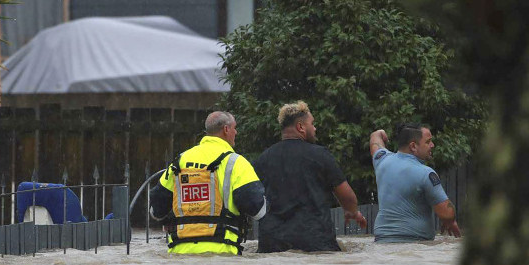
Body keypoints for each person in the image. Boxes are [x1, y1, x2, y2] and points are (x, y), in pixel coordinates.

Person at [253, 101, 367, 253]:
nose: (315, 128)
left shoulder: (263, 159)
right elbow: (348, 197)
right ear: (300, 127)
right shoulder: (320, 155)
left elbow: (253, 198)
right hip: (315, 242)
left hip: (272, 244)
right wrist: (352, 211)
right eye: (312, 124)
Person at [149, 111, 266, 255]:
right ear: (226, 129)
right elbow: (258, 210)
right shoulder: (236, 163)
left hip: (179, 254)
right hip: (223, 252)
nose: (236, 132)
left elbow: (156, 210)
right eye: (235, 128)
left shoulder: (180, 161)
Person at [369, 123, 461, 241]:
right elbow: (447, 213)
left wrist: (378, 133)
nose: (432, 145)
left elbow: (374, 141)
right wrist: (451, 220)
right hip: (415, 246)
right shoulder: (426, 173)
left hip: (381, 243)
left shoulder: (381, 160)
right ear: (413, 146)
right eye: (428, 142)